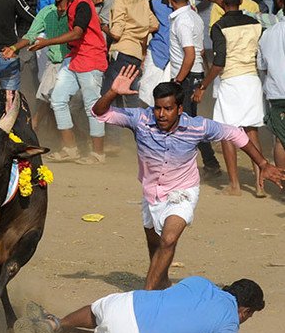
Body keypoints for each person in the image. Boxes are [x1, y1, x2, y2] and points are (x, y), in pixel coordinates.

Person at [92, 65, 284, 290]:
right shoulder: (141, 119)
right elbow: (100, 113)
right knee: (156, 247)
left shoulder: (197, 127)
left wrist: (262, 164)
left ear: (180, 109)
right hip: (151, 192)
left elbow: (235, 133)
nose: (161, 115)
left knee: (169, 239)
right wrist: (112, 92)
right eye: (157, 109)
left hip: (182, 192)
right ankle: (161, 283)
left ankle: (148, 295)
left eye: (168, 109)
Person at [19, 277, 265, 333]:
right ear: (245, 310)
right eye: (250, 316)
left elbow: (175, 305)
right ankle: (62, 332)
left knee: (99, 311)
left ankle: (57, 323)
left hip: (126, 307)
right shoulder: (230, 321)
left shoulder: (200, 282)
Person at [193, 0, 267, 197]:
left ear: (223, 1)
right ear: (242, 0)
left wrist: (204, 85)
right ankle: (260, 184)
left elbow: (220, 63)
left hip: (231, 81)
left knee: (227, 132)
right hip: (252, 79)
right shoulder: (255, 23)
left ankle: (234, 185)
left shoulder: (219, 27)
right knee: (251, 130)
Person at [30, 0, 108, 165]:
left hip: (90, 58)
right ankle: (70, 149)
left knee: (92, 106)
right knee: (57, 99)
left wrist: (47, 42)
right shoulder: (73, 2)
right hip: (75, 58)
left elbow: (77, 33)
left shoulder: (81, 4)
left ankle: (98, 153)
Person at [166, 0, 221, 176]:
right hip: (193, 73)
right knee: (186, 120)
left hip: (186, 76)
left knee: (187, 122)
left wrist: (178, 81)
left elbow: (189, 54)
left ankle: (208, 162)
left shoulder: (181, 21)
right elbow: (200, 51)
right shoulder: (194, 17)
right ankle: (205, 161)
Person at [2, 0, 69, 129]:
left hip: (75, 63)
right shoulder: (47, 12)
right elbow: (31, 34)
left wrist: (46, 43)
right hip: (55, 63)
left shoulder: (78, 9)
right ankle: (41, 130)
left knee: (67, 104)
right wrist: (14, 48)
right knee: (48, 97)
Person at [102, 0, 158, 108]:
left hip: (122, 53)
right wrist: (138, 30)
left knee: (108, 96)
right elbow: (154, 24)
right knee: (131, 95)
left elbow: (116, 34)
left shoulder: (121, 0)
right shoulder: (142, 0)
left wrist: (103, 27)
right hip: (136, 55)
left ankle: (111, 130)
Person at [137, 0, 188, 107]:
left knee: (171, 102)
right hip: (156, 56)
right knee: (147, 98)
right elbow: (145, 30)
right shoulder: (153, 4)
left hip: (177, 59)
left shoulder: (187, 6)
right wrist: (143, 55)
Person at [257, 0, 285, 176]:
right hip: (276, 92)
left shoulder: (268, 34)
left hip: (277, 94)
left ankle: (283, 184)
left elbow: (262, 66)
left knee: (281, 141)